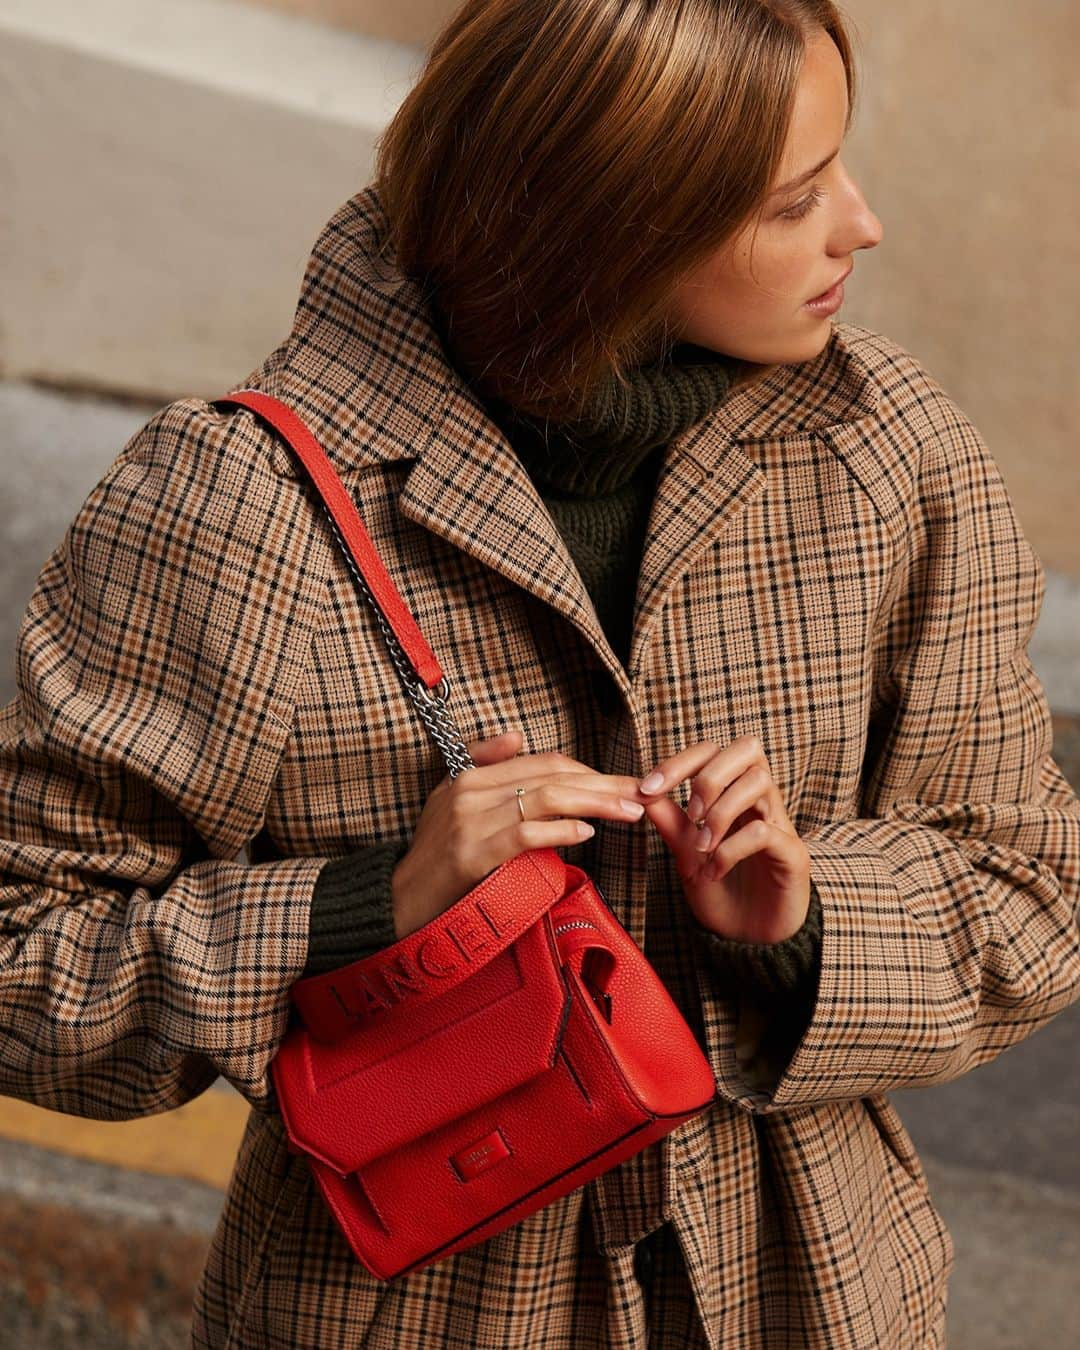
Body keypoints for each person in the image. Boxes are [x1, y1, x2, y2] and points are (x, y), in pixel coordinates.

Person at [1, 1, 1077, 1345]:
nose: (862, 225)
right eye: (794, 200)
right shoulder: (237, 504)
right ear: (624, 222)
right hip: (399, 1304)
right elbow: (26, 959)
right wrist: (374, 907)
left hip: (812, 1297)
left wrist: (805, 919)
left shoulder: (891, 461)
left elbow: (1036, 886)